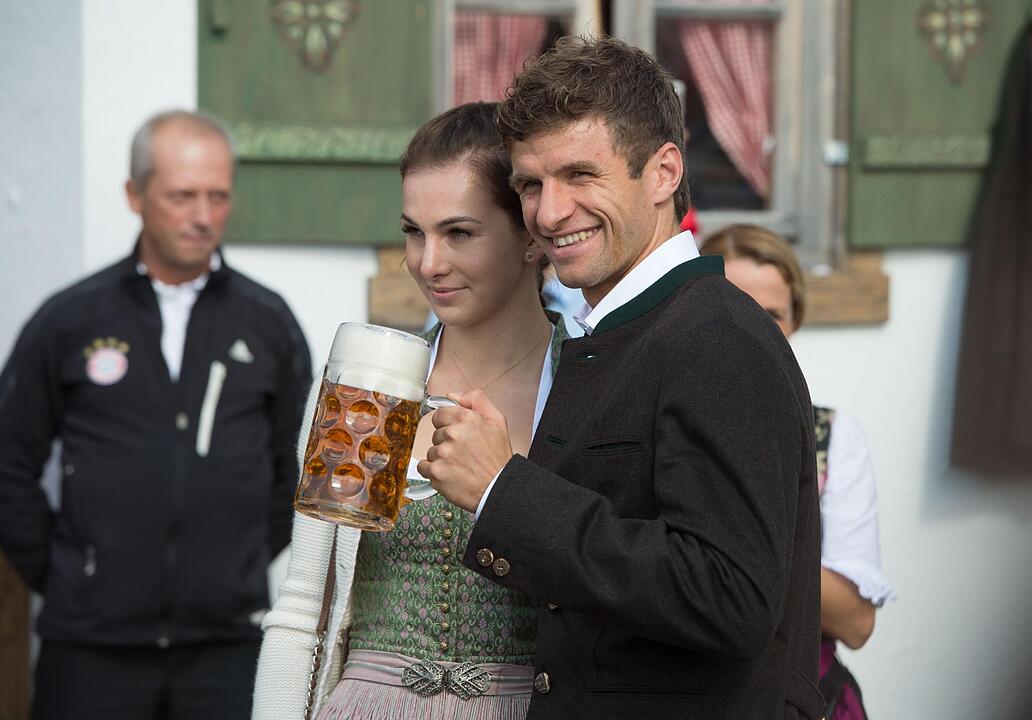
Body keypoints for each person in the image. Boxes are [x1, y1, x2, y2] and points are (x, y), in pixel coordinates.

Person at [421, 36, 825, 720]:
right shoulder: (624, 329)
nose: (549, 213)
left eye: (581, 175)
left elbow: (732, 597)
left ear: (664, 172)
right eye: (530, 184)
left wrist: (502, 491)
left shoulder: (718, 336)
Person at [252, 101, 570, 720]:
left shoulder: (586, 385)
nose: (428, 263)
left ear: (531, 236)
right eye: (413, 231)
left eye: (459, 233)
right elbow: (302, 608)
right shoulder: (369, 385)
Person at [0, 110, 312, 720]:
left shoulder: (266, 321)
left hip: (224, 648)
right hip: (90, 650)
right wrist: (69, 574)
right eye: (182, 196)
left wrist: (237, 560)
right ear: (135, 195)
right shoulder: (71, 320)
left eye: (218, 196)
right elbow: (9, 462)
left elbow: (296, 470)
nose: (203, 216)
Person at [700, 224, 895, 720]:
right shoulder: (655, 423)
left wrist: (724, 550)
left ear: (795, 324)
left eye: (772, 316)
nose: (752, 329)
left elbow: (855, 621)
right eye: (734, 306)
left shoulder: (829, 437)